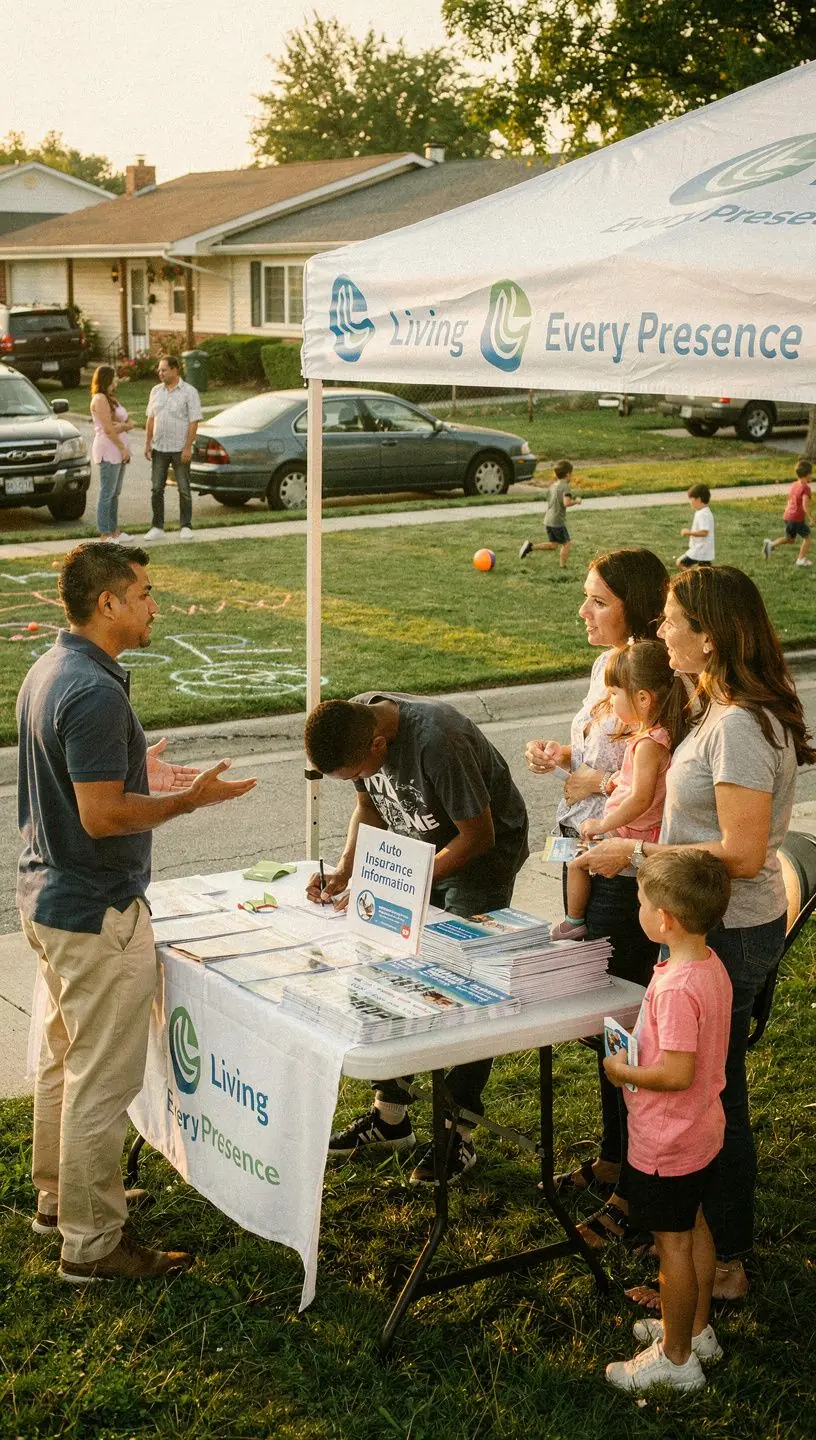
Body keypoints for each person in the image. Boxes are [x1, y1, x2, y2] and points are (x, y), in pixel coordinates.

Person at [571, 564, 814, 1302]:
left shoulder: (739, 726)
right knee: (714, 1092)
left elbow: (743, 854)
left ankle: (726, 1263)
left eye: (673, 620)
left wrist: (638, 852)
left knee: (716, 1099)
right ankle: (700, 1248)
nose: (661, 631)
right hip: (711, 926)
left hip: (730, 933)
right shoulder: (723, 708)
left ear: (709, 638)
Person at [17, 541, 257, 1283]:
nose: (157, 605)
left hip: (51, 900)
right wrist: (186, 801)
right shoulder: (91, 691)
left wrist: (139, 768)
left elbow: (82, 778)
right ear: (109, 603)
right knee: (101, 1079)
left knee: (64, 1062)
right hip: (95, 910)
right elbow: (99, 815)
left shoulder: (54, 669)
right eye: (146, 593)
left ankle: (60, 1201)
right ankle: (91, 1246)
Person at [303, 692, 529, 1183]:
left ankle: (457, 1132)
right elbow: (370, 807)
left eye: (353, 772)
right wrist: (348, 868)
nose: (355, 784)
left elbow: (479, 836)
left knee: (466, 987)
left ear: (379, 744)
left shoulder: (438, 741)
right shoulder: (357, 724)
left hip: (478, 860)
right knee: (389, 967)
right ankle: (390, 1118)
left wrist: (409, 880)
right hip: (420, 853)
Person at [524, 548, 669, 1205]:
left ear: (634, 606)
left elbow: (645, 772)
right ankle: (615, 1159)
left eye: (599, 601)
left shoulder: (654, 673)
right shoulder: (603, 668)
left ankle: (636, 1187)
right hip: (581, 850)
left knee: (621, 1018)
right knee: (601, 1023)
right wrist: (562, 758)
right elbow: (593, 753)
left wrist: (595, 780)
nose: (583, 610)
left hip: (622, 866)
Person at [604, 850, 732, 1396]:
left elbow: (677, 1072)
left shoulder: (677, 987)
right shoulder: (708, 965)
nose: (638, 907)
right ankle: (696, 1329)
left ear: (665, 920)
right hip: (701, 1130)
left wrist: (624, 1069)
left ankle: (676, 1359)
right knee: (694, 1227)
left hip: (666, 1141)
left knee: (671, 1246)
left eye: (640, 900)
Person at [552, 640, 689, 942]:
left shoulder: (649, 744)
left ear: (642, 698)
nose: (610, 702)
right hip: (633, 831)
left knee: (577, 860)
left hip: (632, 833)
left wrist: (603, 824)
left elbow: (640, 798)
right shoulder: (653, 737)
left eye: (614, 694)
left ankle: (573, 922)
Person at [144, 355, 202, 542]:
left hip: (180, 448)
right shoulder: (155, 391)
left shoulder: (189, 392)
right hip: (159, 447)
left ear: (175, 370)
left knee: (184, 488)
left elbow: (194, 421)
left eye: (164, 370)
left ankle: (185, 526)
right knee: (156, 488)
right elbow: (150, 418)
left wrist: (187, 447)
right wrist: (148, 443)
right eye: (159, 370)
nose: (160, 373)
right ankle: (157, 526)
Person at [89, 364, 134, 542]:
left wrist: (124, 426)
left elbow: (128, 423)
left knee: (115, 492)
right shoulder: (99, 399)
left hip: (119, 447)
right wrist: (122, 448)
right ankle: (105, 533)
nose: (116, 379)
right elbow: (108, 429)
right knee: (107, 492)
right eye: (114, 376)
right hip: (109, 448)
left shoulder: (111, 398)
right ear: (106, 378)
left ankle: (115, 530)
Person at [519, 459, 580, 567]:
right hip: (557, 521)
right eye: (571, 474)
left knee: (553, 545)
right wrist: (576, 501)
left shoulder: (553, 486)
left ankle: (530, 547)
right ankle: (563, 566)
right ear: (568, 474)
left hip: (548, 519)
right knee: (566, 543)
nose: (572, 476)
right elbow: (566, 503)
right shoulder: (565, 486)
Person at [762, 458, 813, 567]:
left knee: (789, 539)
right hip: (796, 518)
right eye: (811, 473)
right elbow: (805, 505)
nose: (812, 476)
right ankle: (801, 559)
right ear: (807, 475)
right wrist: (811, 518)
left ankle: (770, 545)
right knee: (807, 538)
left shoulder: (795, 484)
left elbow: (790, 499)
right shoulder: (806, 488)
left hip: (788, 516)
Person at [676, 483, 715, 569]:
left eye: (692, 499)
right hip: (704, 551)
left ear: (699, 499)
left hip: (700, 551)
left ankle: (692, 579)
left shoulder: (703, 514)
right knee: (705, 572)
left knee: (680, 563)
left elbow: (704, 532)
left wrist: (688, 532)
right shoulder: (703, 512)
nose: (690, 502)